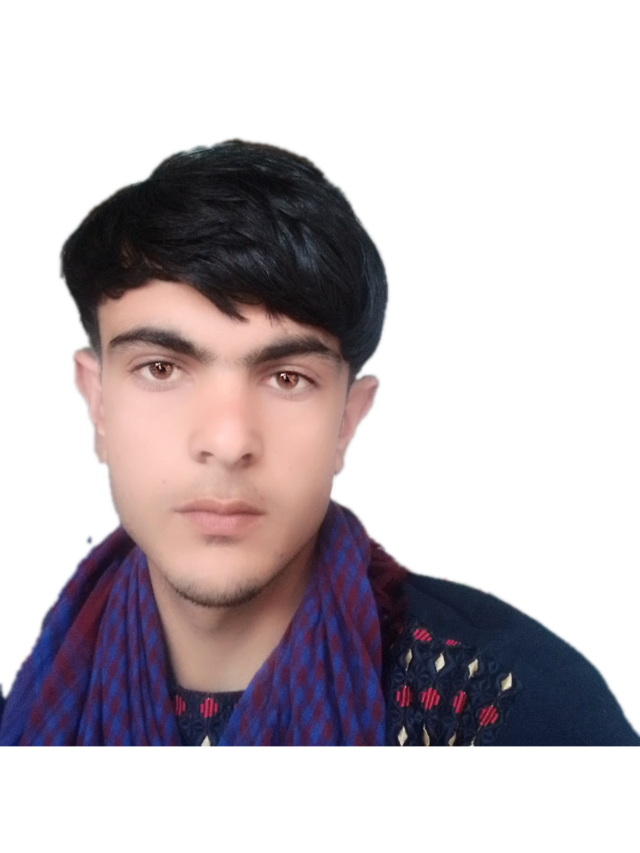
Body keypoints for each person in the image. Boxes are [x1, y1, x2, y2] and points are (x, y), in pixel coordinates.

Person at [0, 137, 637, 747]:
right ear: (97, 401)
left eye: (287, 378)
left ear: (348, 421)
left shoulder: (516, 705)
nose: (228, 441)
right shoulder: (25, 688)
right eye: (161, 368)